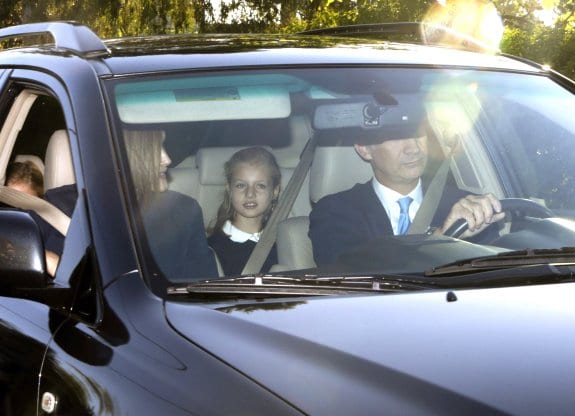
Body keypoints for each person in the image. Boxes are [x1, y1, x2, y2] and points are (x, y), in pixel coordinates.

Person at [308, 127, 505, 266]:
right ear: (364, 148)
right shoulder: (335, 211)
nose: (414, 148)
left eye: (418, 133)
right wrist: (440, 238)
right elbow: (350, 273)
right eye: (394, 136)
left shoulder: (465, 207)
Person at [123, 129, 218, 280]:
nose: (167, 159)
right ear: (126, 154)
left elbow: (204, 285)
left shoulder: (184, 210)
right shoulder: (90, 217)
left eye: (163, 146)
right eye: (154, 149)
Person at [208, 147, 281, 275]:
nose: (250, 194)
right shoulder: (213, 249)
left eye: (260, 186)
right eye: (241, 185)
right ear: (229, 189)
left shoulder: (285, 242)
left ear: (275, 191)